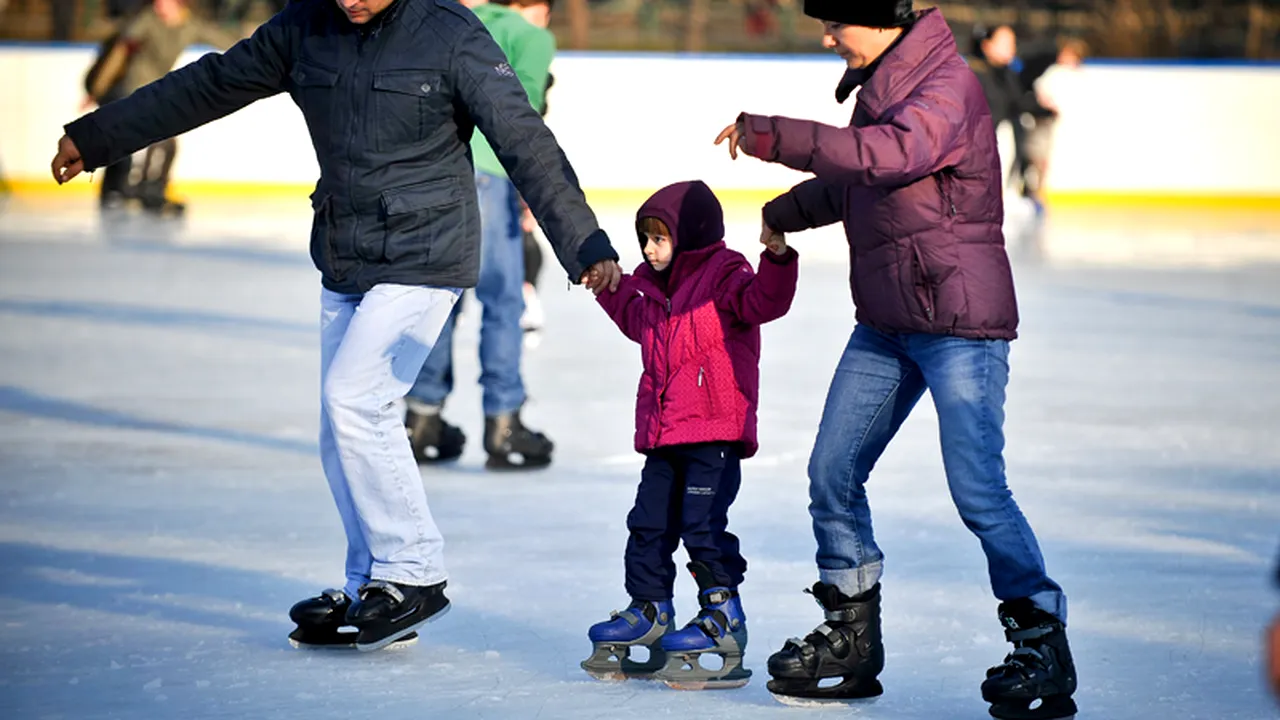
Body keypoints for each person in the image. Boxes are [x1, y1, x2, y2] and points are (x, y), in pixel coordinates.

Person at [50, 0, 622, 651]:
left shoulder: (448, 32)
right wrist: (98, 137)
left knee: (355, 398)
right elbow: (208, 84)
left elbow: (524, 139)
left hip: (427, 249)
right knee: (339, 424)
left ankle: (413, 571)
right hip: (346, 249)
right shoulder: (305, 27)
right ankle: (372, 581)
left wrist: (583, 244)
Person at [713, 1, 1077, 717]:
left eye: (834, 22)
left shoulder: (946, 87)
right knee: (831, 471)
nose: (827, 37)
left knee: (978, 491)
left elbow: (885, 156)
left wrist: (773, 136)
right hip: (887, 321)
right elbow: (860, 180)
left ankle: (1040, 641)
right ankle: (851, 634)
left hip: (959, 324)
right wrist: (785, 213)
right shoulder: (884, 85)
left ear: (877, 18)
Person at [580, 180, 798, 690]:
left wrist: (777, 258)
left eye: (659, 238)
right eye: (644, 238)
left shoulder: (726, 276)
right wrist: (608, 286)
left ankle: (723, 616)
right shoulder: (651, 290)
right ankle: (650, 609)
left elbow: (765, 302)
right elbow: (634, 320)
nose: (648, 249)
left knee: (702, 526)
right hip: (665, 434)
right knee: (648, 523)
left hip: (714, 432)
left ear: (691, 235)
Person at [402, 0, 560, 471]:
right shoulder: (532, 36)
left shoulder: (444, 22)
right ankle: (503, 423)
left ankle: (422, 419)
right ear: (540, 8)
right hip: (489, 173)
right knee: (503, 300)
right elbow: (520, 116)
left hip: (438, 172)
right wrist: (530, 186)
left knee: (441, 297)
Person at [84, 0, 242, 214]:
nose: (158, 3)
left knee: (165, 143)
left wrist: (252, 45)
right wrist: (97, 89)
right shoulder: (147, 19)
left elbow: (219, 38)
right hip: (133, 87)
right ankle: (129, 189)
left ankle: (148, 188)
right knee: (144, 139)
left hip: (157, 89)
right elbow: (119, 51)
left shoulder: (190, 25)